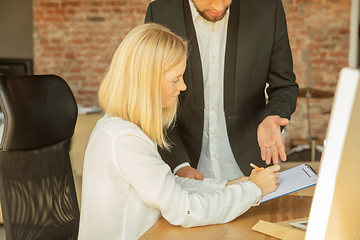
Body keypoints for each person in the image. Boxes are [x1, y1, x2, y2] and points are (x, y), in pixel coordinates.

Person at [77, 23, 281, 240]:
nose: (183, 87)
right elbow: (184, 209)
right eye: (176, 79)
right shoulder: (125, 140)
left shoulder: (124, 127)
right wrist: (253, 191)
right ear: (147, 82)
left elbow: (168, 186)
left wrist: (230, 185)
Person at [145, 0, 299, 180]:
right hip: (185, 171)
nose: (218, 7)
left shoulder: (267, 10)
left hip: (251, 173)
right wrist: (179, 164)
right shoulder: (160, 13)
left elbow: (284, 85)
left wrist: (273, 114)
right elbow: (152, 96)